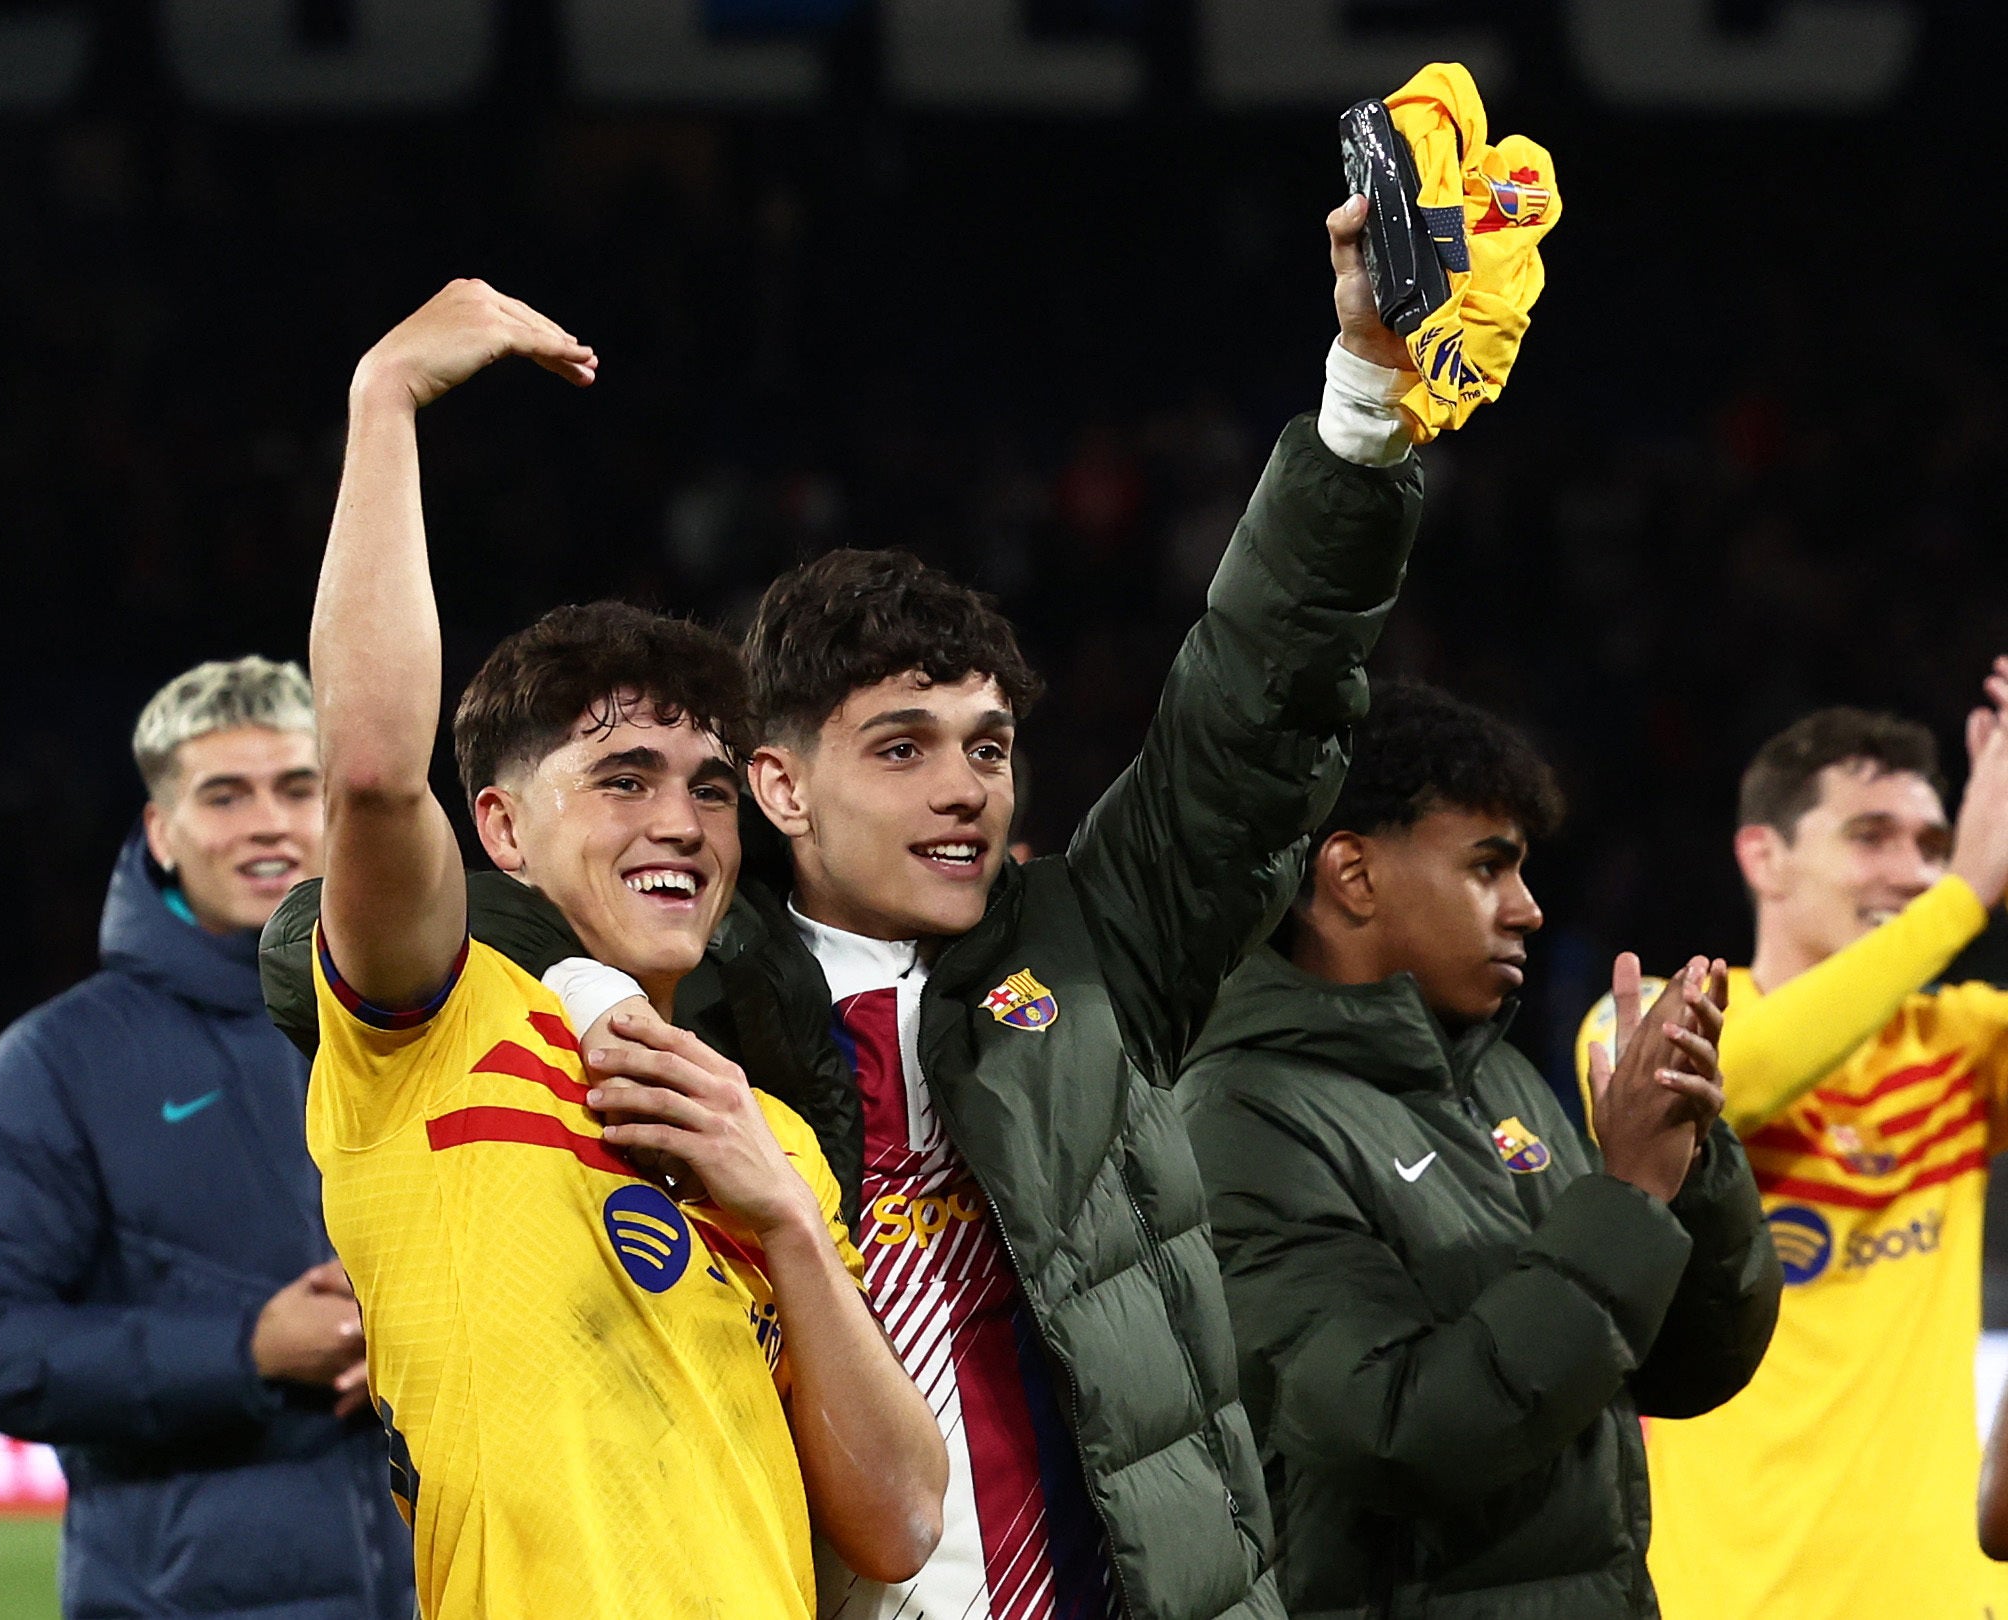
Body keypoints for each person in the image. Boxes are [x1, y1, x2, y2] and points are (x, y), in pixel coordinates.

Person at [264, 195, 1436, 1620]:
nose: (965, 793)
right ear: (785, 786)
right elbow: (357, 877)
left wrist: (1366, 396)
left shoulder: (1082, 952)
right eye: (903, 748)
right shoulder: (695, 985)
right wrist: (571, 973)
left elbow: (1256, 709)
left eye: (991, 749)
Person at [304, 278, 945, 1618]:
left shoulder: (754, 1126)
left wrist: (783, 1214)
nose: (683, 823)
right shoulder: (429, 1035)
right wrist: (384, 402)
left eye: (710, 788)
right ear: (502, 828)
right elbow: (368, 772)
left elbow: (898, 1523)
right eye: (623, 778)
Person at [1177, 680, 1779, 1618]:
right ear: (1353, 874)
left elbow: (1688, 1370)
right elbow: (1397, 1432)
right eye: (1489, 868)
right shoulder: (1241, 1117)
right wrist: (1624, 1195)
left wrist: (1688, 1171)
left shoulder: (1497, 1079)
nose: (1529, 908)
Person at [0, 657, 413, 1620]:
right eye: (224, 795)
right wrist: (248, 1351)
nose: (268, 821)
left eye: (296, 787)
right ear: (161, 833)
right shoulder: (64, 1061)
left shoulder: (441, 1027)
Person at [1593, 664, 2008, 1620]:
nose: (1914, 871)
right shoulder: (1642, 1014)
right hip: (1721, 1599)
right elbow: (1725, 1080)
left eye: (1939, 845)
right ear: (1763, 857)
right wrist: (1965, 901)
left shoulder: (1963, 1046)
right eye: (1872, 837)